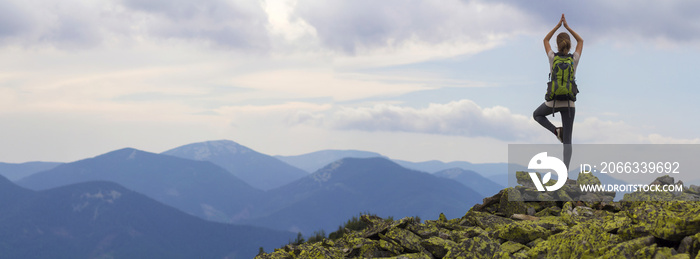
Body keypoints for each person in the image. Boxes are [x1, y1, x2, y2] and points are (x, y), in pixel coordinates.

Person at [533, 14, 583, 169]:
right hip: (569, 104)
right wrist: (567, 27)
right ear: (568, 44)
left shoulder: (552, 57)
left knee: (537, 115)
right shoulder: (574, 58)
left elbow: (545, 40)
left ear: (557, 44)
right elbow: (581, 41)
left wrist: (557, 26)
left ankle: (555, 131)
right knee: (567, 141)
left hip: (553, 102)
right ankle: (565, 173)